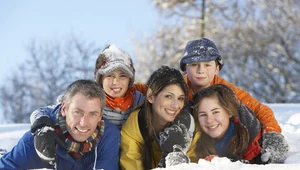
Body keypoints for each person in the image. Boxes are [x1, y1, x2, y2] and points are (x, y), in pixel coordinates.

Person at [29, 44, 145, 165]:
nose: (116, 82)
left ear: (129, 80)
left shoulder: (139, 101)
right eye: (109, 75)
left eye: (122, 76)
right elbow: (48, 111)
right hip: (99, 158)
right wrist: (42, 126)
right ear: (100, 79)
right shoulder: (89, 99)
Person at [179, 38, 285, 161]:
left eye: (207, 65)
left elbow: (260, 109)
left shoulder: (227, 91)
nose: (200, 70)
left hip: (222, 143)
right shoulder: (177, 89)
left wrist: (273, 134)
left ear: (217, 69)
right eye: (194, 65)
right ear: (185, 68)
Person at [0, 79, 120, 170]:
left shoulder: (109, 137)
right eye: (77, 112)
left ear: (100, 116)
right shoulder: (39, 137)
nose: (83, 123)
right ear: (64, 109)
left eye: (92, 114)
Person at [120, 66, 199, 169]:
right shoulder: (137, 124)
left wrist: (176, 151)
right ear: (150, 96)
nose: (176, 105)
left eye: (180, 98)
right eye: (168, 96)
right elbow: (130, 164)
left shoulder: (191, 127)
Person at [193, 84, 289, 163]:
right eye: (203, 115)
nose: (209, 120)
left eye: (215, 112)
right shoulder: (197, 139)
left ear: (229, 112)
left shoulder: (253, 139)